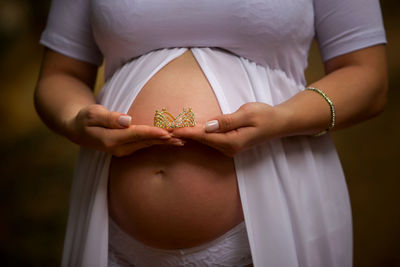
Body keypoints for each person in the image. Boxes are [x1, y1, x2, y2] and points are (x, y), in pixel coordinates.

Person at [34, 0, 387, 266]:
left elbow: (368, 78)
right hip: (114, 234)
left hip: (276, 207)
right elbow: (58, 75)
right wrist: (74, 119)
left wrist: (282, 118)